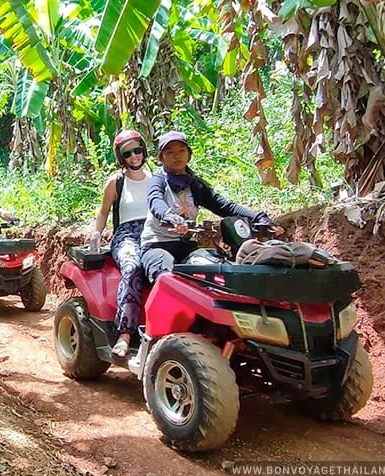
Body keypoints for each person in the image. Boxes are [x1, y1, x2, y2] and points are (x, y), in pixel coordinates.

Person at [140, 131, 279, 283]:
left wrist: (258, 217)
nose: (177, 156)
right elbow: (155, 201)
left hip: (187, 248)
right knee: (164, 274)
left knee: (218, 272)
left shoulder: (196, 185)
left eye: (181, 150)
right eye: (170, 152)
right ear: (161, 158)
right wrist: (169, 216)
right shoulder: (158, 181)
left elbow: (225, 206)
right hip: (156, 246)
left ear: (189, 154)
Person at [91, 129, 151, 357]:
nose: (134, 156)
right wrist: (97, 233)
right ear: (121, 157)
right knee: (132, 266)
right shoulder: (116, 182)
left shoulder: (157, 179)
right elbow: (104, 212)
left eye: (137, 150)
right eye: (128, 153)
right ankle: (125, 334)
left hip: (154, 233)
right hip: (127, 235)